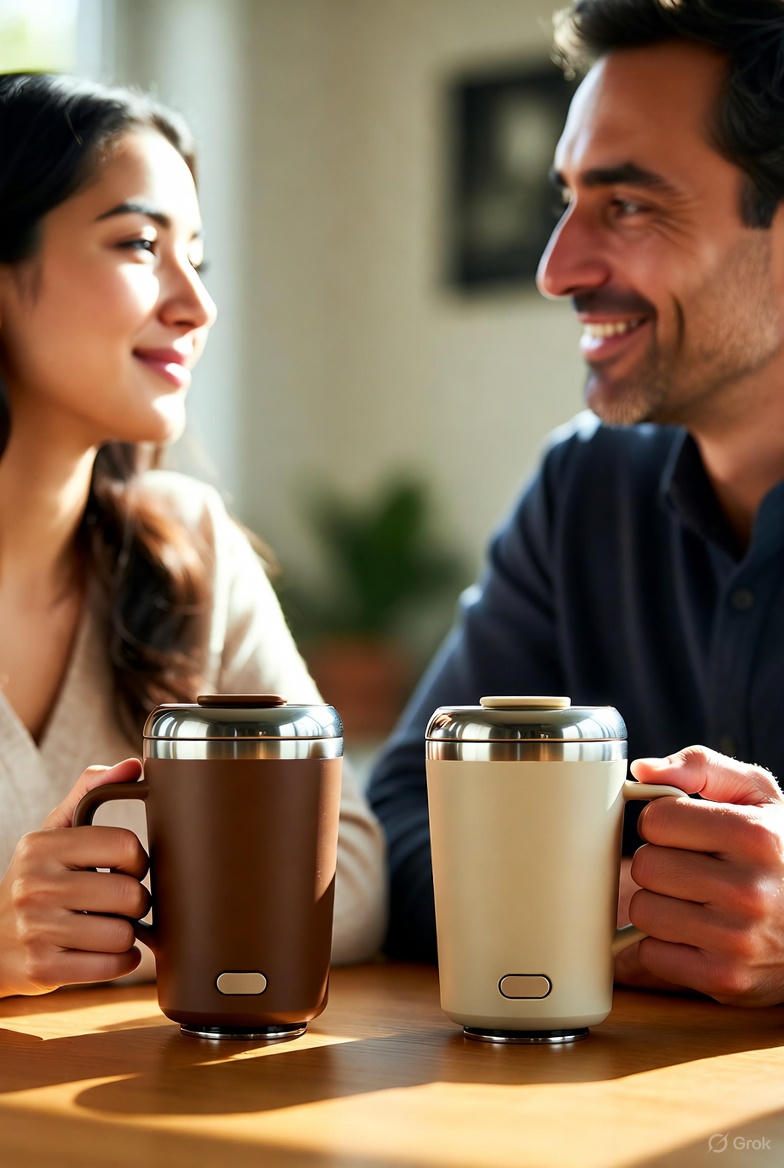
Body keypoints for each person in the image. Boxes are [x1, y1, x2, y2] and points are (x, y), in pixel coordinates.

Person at [368, 0, 784, 1008]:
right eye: (567, 199)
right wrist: (625, 900)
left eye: (628, 205)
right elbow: (404, 815)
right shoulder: (584, 486)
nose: (556, 267)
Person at [0, 72, 386, 999]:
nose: (195, 306)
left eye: (198, 259)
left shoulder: (192, 549)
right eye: (138, 244)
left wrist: (111, 937)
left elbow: (356, 876)